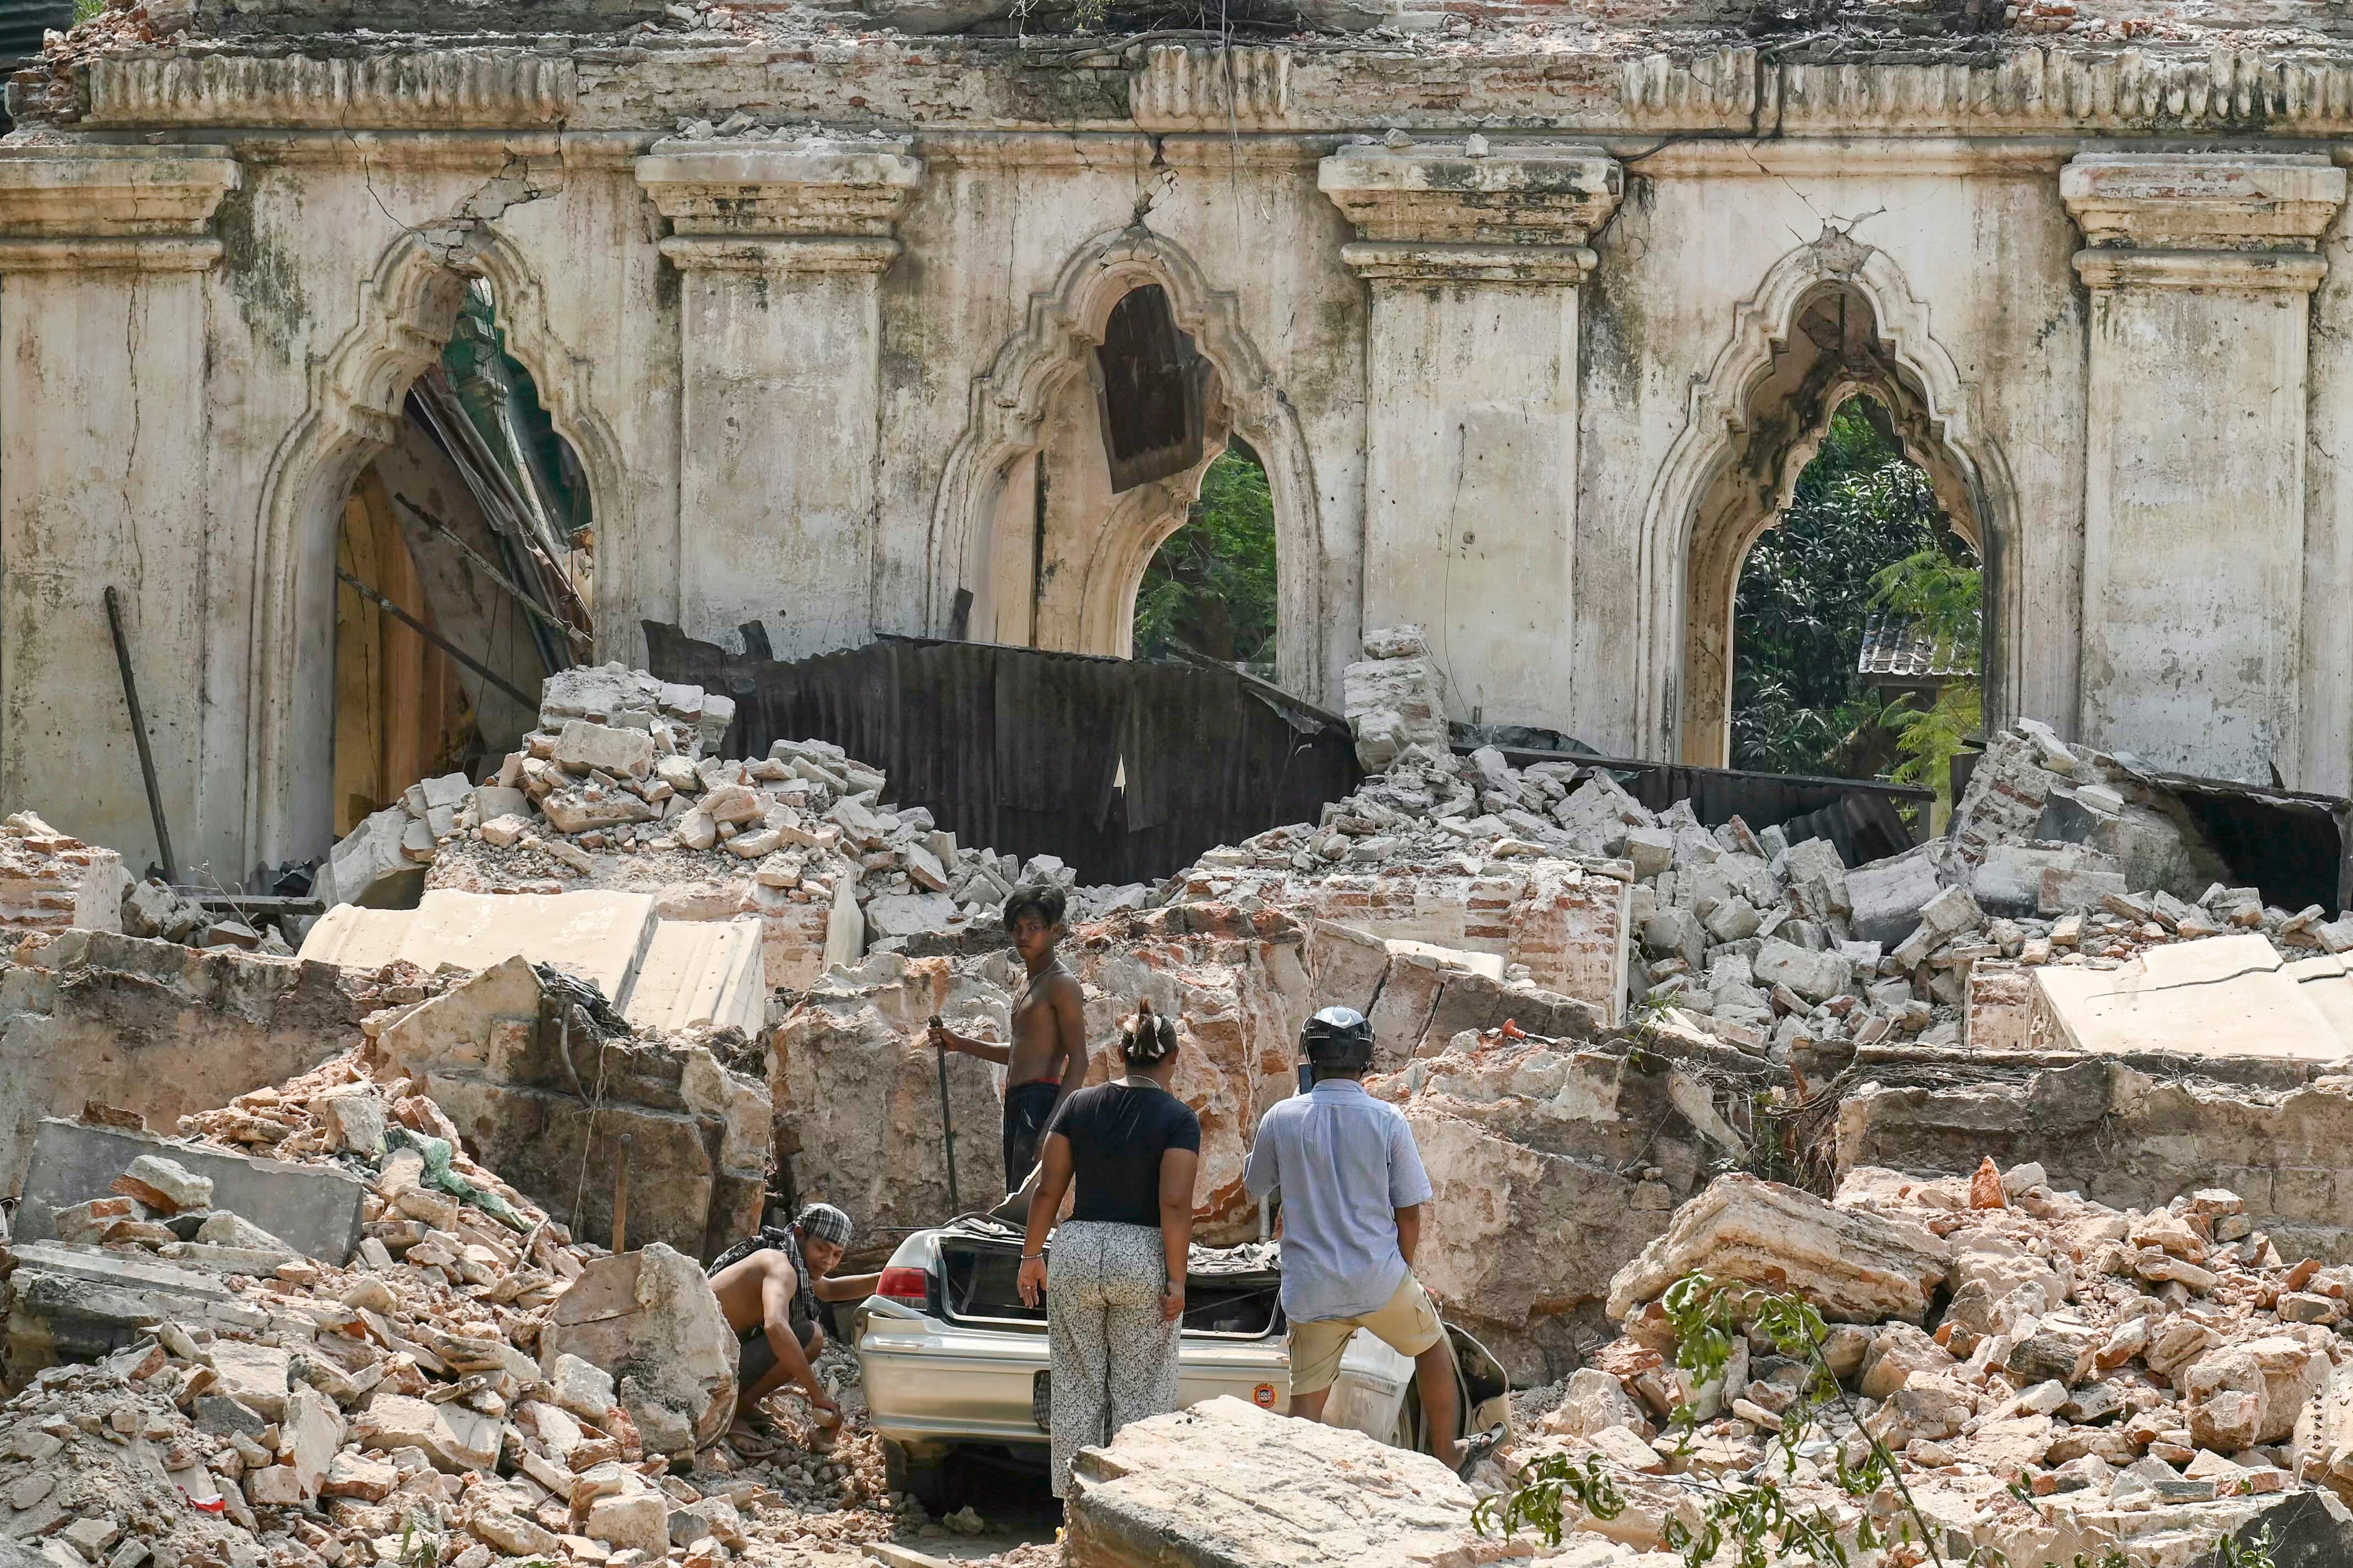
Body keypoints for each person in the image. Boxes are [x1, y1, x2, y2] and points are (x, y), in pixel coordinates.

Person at [1244, 1006, 1466, 1474]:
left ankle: (1297, 1480)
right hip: (1378, 1278)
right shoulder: (1388, 1120)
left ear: (1310, 1056)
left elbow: (1257, 1186)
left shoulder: (1281, 1117)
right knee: (1433, 1350)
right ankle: (1447, 1452)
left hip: (1311, 1287)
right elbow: (1408, 1210)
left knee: (1306, 1402)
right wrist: (1401, 1270)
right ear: (1365, 1059)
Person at [1015, 999, 1199, 1501]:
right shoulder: (1180, 1118)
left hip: (1076, 1250)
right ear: (1174, 1058)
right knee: (1140, 1392)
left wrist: (1032, 1257)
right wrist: (1178, 1280)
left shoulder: (1078, 1105)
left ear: (1120, 1052)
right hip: (1141, 1255)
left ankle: (1077, 1508)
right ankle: (1131, 1506)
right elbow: (1175, 1202)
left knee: (1076, 1388)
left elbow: (1049, 1190)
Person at [929, 884, 1088, 1195]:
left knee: (1027, 1202)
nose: (1023, 936)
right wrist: (960, 1043)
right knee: (1015, 1194)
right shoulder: (1030, 982)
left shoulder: (1062, 984)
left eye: (1033, 928)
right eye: (1017, 928)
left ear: (1054, 931)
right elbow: (1020, 1053)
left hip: (1040, 1101)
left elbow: (1079, 1060)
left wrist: (1052, 1127)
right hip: (1017, 1101)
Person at [707, 1203, 880, 1441]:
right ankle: (731, 1414)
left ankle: (739, 1407)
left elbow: (829, 1289)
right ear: (799, 1233)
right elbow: (776, 1325)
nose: (828, 1261)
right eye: (822, 1248)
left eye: (838, 1254)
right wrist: (816, 1394)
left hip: (712, 1358)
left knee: (805, 1334)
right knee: (810, 1337)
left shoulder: (789, 1258)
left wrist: (888, 1278)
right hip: (701, 1367)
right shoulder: (781, 1268)